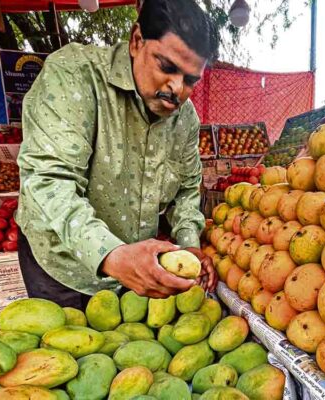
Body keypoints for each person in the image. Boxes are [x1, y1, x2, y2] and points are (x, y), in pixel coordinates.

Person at [16, 0, 219, 308]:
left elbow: (187, 191)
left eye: (191, 80)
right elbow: (49, 182)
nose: (177, 88)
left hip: (136, 273)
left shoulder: (186, 119)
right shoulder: (74, 76)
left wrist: (188, 244)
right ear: (137, 40)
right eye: (166, 67)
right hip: (64, 269)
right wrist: (112, 255)